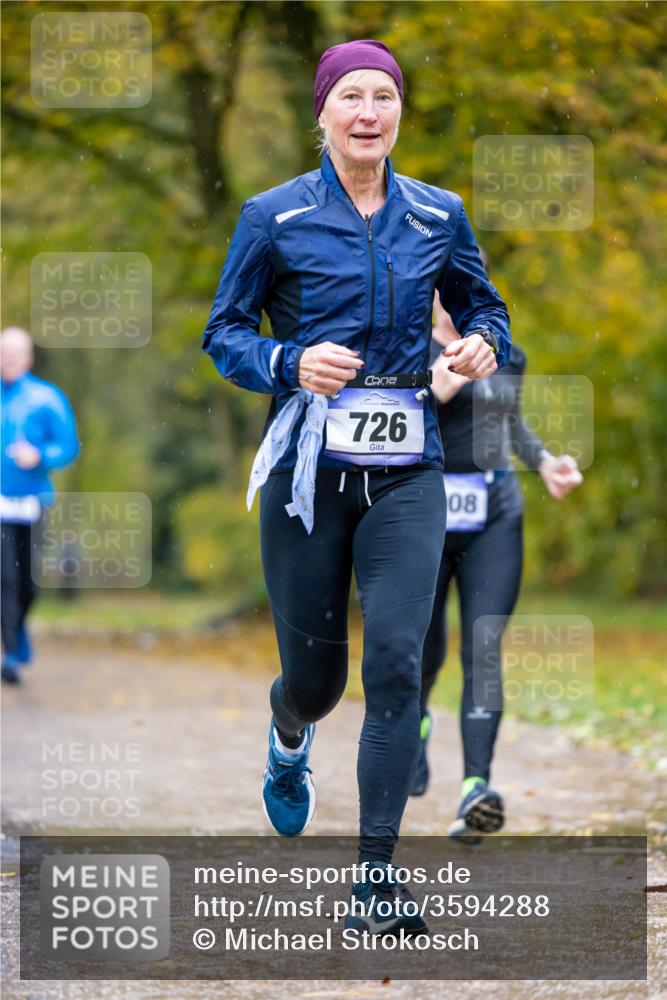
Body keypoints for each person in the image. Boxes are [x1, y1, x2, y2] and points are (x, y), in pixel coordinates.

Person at [202, 39, 510, 934]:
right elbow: (224, 333)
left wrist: (481, 341)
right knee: (316, 682)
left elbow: (482, 305)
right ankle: (287, 732)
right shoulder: (273, 216)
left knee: (397, 664)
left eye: (384, 96)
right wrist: (288, 362)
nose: (368, 112)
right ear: (323, 113)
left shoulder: (438, 213)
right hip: (308, 472)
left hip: (407, 469)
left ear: (399, 113)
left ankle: (374, 879)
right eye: (351, 97)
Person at [410, 292, 583, 844]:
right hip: (424, 516)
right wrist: (437, 383)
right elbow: (405, 415)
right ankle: (414, 727)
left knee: (483, 649)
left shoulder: (508, 354)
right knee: (422, 650)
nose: (457, 302)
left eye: (469, 286)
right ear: (429, 295)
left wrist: (545, 462)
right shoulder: (406, 349)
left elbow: (508, 424)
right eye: (447, 290)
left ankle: (475, 790)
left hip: (494, 513)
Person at [1, 327, 80, 683]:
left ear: (28, 358)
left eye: (15, 354)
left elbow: (68, 447)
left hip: (33, 502)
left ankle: (17, 631)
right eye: (3, 353)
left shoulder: (47, 398)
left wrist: (40, 455)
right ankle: (11, 654)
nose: (8, 360)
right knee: (5, 578)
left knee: (28, 582)